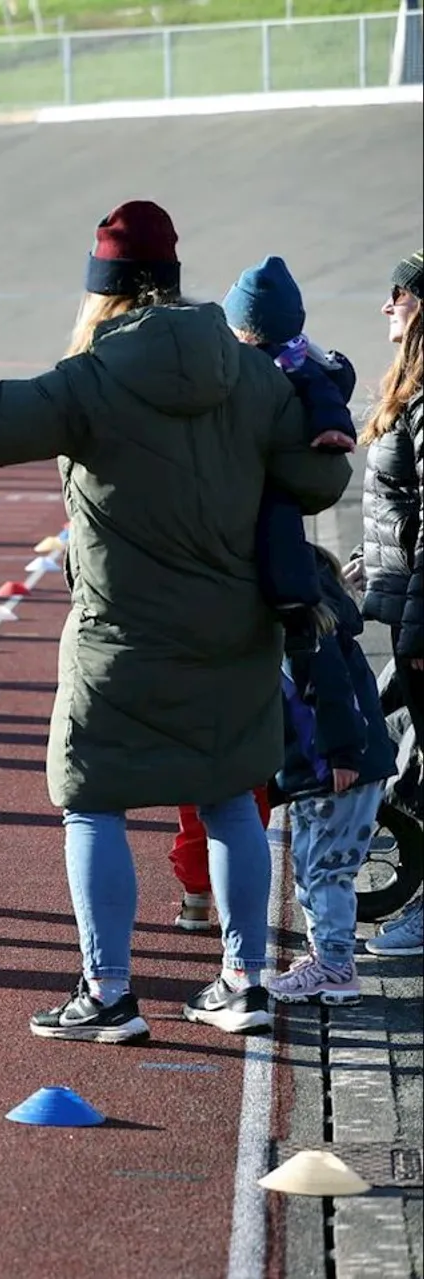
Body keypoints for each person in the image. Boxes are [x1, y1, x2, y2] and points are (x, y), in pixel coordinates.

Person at [0, 201, 352, 1041]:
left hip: (119, 637)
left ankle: (107, 994)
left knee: (91, 801)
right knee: (229, 800)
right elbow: (318, 483)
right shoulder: (250, 375)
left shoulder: (91, 379)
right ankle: (243, 981)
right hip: (234, 632)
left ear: (102, 291)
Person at [169, 255, 359, 932]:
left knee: (211, 754)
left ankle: (208, 896)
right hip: (262, 595)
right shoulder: (301, 378)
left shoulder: (226, 380)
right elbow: (328, 440)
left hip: (213, 587)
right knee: (247, 753)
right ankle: (224, 911)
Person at [264, 547, 396, 1005]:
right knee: (311, 864)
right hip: (323, 768)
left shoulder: (307, 632)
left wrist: (341, 753)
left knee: (327, 869)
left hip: (338, 767)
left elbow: (334, 692)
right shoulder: (315, 620)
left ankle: (337, 966)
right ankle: (326, 955)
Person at [350, 248, 424, 959]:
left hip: (420, 615)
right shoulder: (411, 386)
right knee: (389, 733)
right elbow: (402, 510)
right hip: (406, 607)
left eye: (397, 293)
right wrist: (365, 564)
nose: (386, 305)